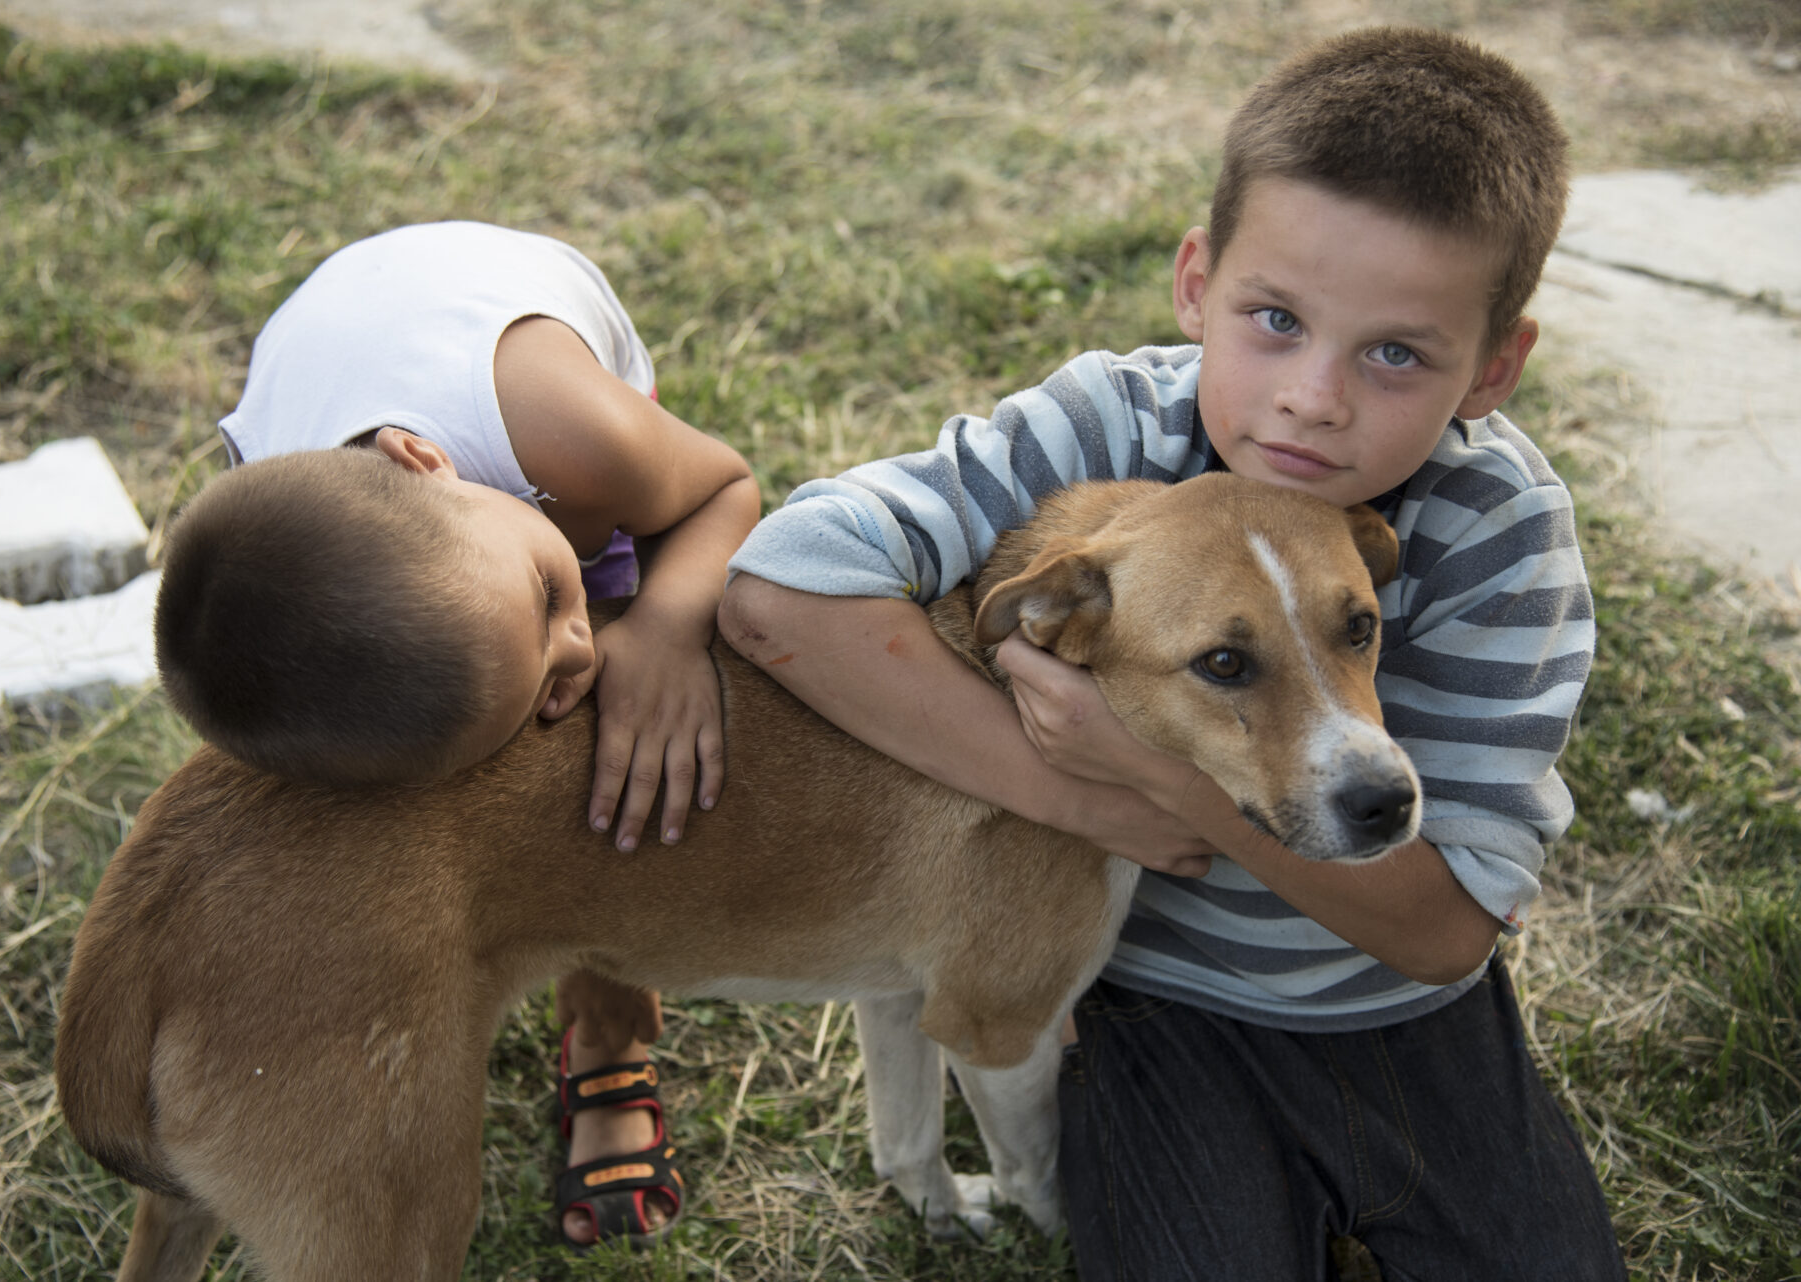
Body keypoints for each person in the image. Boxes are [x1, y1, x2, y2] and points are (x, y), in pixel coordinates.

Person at [718, 28, 1622, 1280]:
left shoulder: (1501, 533)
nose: (1315, 396)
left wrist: (1155, 779)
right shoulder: (1106, 425)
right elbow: (783, 586)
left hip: (1401, 1012)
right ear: (1197, 284)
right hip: (1158, 1014)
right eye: (1276, 320)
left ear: (1497, 366)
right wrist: (1057, 781)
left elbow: (1443, 935)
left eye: (1397, 352)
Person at [155, 221, 760, 1250]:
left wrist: (658, 625)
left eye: (549, 608)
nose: (577, 649)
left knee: (610, 748)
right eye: (561, 628)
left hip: (506, 358)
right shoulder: (277, 525)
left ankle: (610, 1036)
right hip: (339, 358)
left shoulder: (579, 442)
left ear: (425, 464)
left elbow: (722, 488)